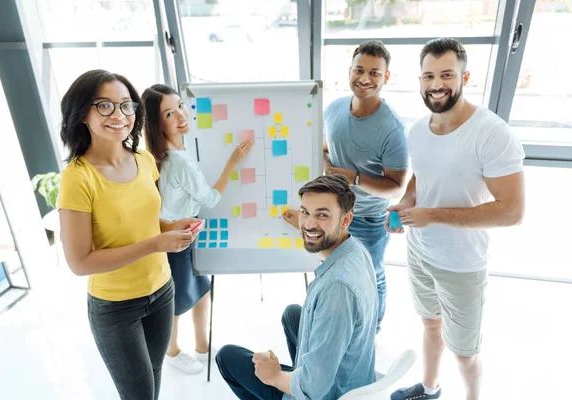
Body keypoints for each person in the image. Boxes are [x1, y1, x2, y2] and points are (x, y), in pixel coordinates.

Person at [388, 38, 525, 400]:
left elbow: (512, 211)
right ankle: (430, 389)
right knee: (430, 324)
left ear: (466, 76)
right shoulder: (418, 130)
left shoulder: (491, 133)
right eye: (428, 76)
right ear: (418, 80)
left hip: (462, 265)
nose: (436, 84)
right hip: (419, 253)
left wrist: (431, 215)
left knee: (465, 352)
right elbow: (423, 176)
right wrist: (406, 203)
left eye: (446, 74)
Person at [58, 70, 199, 399]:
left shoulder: (145, 160)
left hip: (162, 291)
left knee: (154, 377)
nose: (119, 115)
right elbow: (80, 262)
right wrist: (156, 244)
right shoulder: (77, 178)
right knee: (139, 394)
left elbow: (144, 224)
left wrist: (170, 229)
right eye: (104, 106)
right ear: (82, 113)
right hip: (116, 308)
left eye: (126, 105)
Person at [283, 40, 409, 331]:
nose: (365, 79)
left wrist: (353, 178)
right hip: (333, 214)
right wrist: (327, 164)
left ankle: (369, 331)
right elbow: (328, 148)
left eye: (375, 73)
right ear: (349, 71)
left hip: (367, 218)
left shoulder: (392, 129)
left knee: (370, 275)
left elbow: (396, 186)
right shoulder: (335, 109)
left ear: (386, 77)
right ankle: (332, 324)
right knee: (332, 272)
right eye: (359, 70)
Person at [217, 174, 378, 400]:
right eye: (305, 212)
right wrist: (307, 226)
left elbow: (314, 388)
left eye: (322, 215)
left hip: (325, 393)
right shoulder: (356, 251)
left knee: (226, 357)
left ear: (345, 220)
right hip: (355, 374)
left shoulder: (337, 288)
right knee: (293, 314)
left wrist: (274, 376)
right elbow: (313, 227)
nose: (309, 223)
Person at [142, 84, 252, 374]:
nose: (181, 115)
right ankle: (173, 352)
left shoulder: (166, 152)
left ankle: (202, 346)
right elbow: (211, 199)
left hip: (182, 233)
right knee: (176, 301)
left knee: (201, 290)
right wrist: (232, 162)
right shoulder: (178, 161)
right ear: (157, 123)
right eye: (169, 113)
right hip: (177, 238)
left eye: (180, 105)